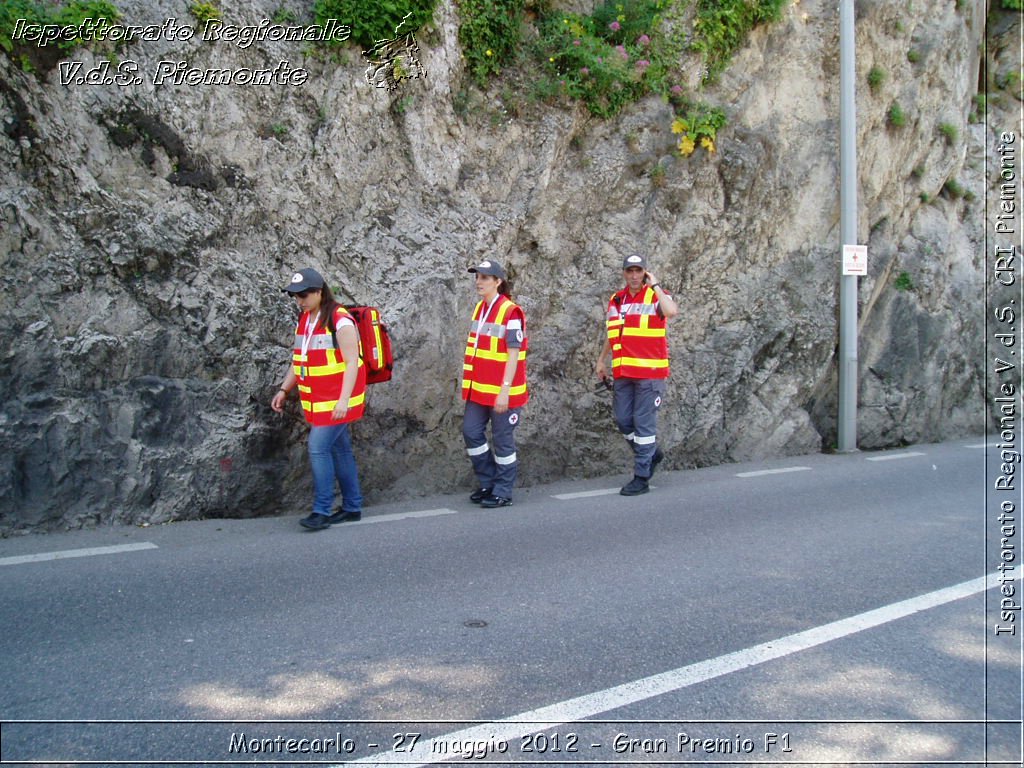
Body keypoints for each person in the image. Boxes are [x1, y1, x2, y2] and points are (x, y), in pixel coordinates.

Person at [271, 268, 367, 531]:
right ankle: (352, 506)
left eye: (303, 295)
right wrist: (284, 389)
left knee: (317, 448)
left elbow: (352, 364)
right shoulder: (306, 319)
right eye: (294, 296)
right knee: (340, 450)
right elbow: (299, 360)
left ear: (319, 292)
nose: (298, 300)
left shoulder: (340, 320)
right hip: (319, 402)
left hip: (337, 401)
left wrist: (344, 400)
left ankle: (321, 510)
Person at [595, 254, 679, 496]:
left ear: (645, 273)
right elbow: (612, 333)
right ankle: (651, 453)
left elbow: (671, 312)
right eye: (630, 271)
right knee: (623, 420)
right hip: (623, 373)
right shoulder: (617, 299)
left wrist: (656, 285)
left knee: (643, 424)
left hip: (650, 374)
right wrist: (602, 360)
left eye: (638, 271)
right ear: (624, 273)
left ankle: (641, 477)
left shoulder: (655, 296)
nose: (634, 276)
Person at [461, 259, 529, 509]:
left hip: (503, 393)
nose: (479, 282)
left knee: (502, 441)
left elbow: (514, 354)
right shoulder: (480, 308)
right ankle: (488, 481)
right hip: (479, 390)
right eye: (477, 277)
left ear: (498, 282)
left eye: (485, 278)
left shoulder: (511, 311)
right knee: (471, 432)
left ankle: (503, 490)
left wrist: (505, 391)